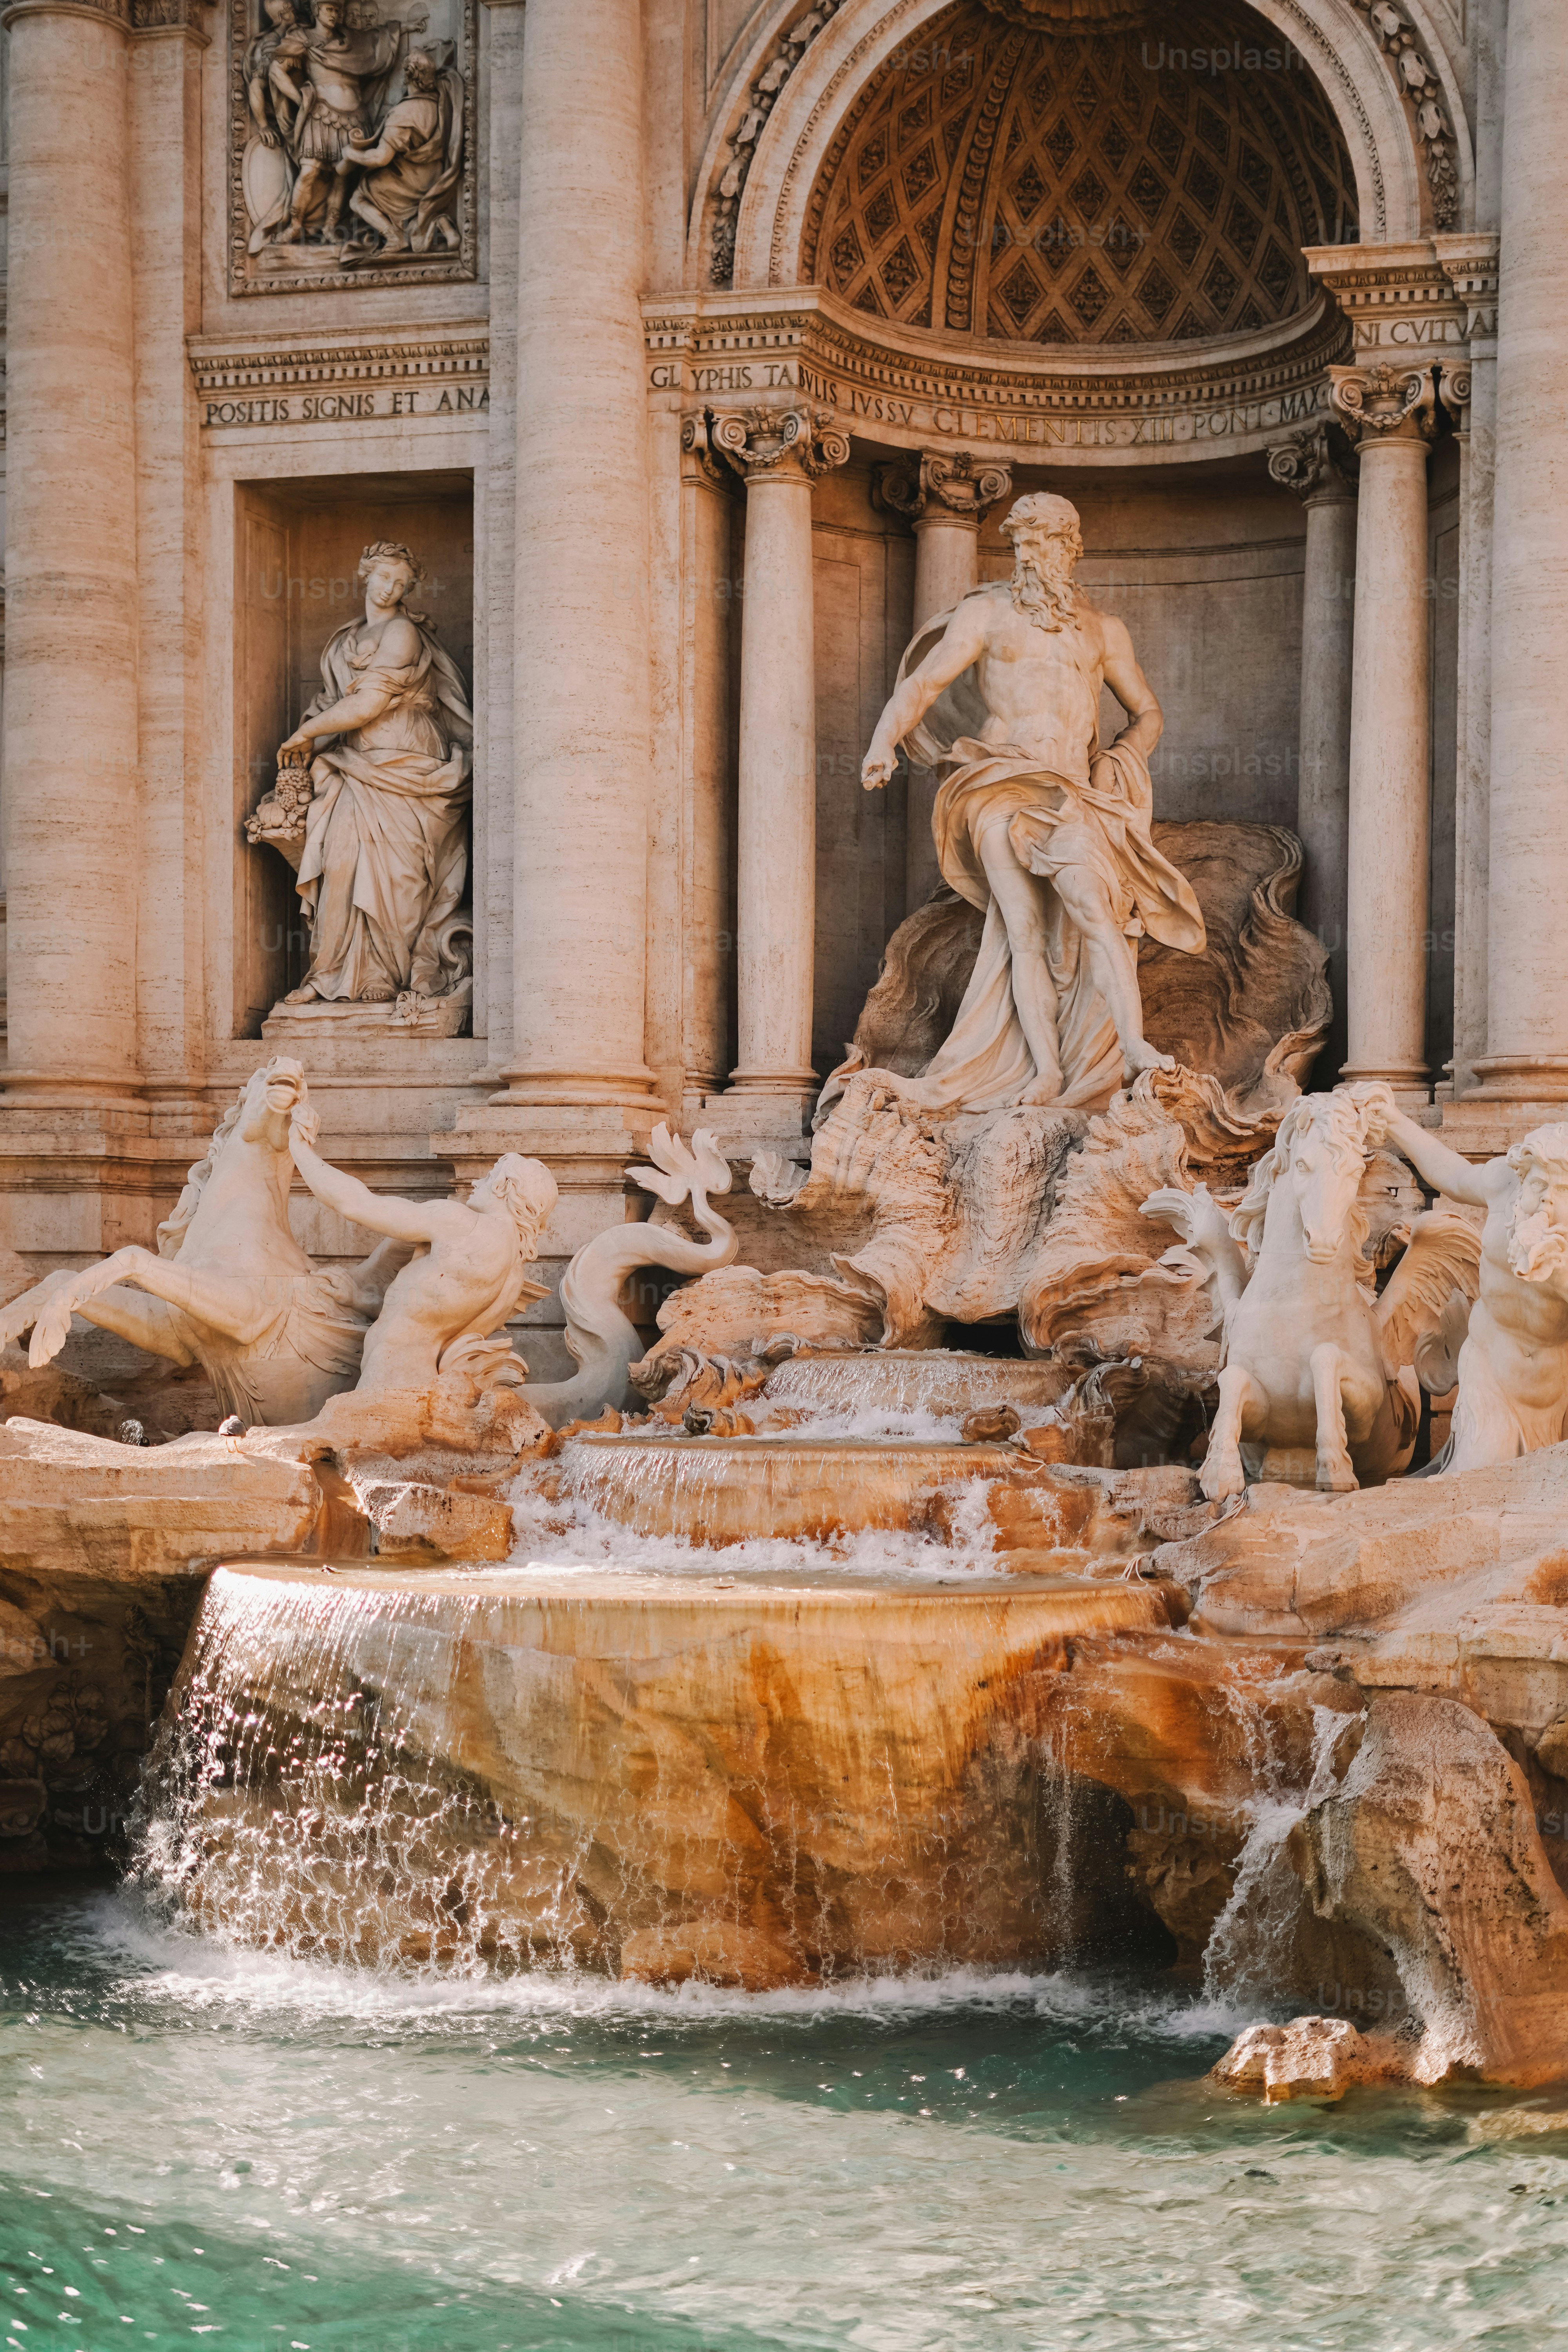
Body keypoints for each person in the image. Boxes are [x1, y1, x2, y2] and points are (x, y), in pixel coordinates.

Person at [859, 490, 1204, 1113]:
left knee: (1095, 910)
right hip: (999, 782)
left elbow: (1148, 711)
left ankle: (1131, 1046)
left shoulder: (1103, 632)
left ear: (1069, 548)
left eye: (1040, 543)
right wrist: (883, 740)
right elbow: (926, 682)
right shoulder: (988, 615)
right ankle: (1045, 1071)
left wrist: (1120, 756)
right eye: (1019, 544)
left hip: (1072, 792)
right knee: (1022, 931)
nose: (1028, 556)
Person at [274, 541, 472, 1005]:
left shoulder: (403, 633)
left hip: (407, 761)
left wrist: (302, 738)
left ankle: (387, 978)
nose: (392, 588)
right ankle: (330, 975)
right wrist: (311, 745)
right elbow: (336, 704)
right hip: (355, 765)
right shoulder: (347, 638)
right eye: (385, 577)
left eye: (402, 583)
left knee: (398, 877)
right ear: (366, 574)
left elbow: (368, 704)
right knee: (341, 864)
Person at [1349, 1085, 1568, 1472]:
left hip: (1548, 1387)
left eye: (1563, 1190)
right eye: (1538, 1186)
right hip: (1486, 1366)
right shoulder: (1505, 1183)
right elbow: (1452, 1173)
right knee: (1474, 1479)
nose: (1548, 1199)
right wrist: (1396, 1121)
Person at [288, 1108, 559, 1393]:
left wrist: (299, 1147)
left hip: (389, 1378)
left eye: (489, 1178)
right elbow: (428, 1317)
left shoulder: (462, 1223)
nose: (475, 1184)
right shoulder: (513, 1279)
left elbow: (356, 1204)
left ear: (505, 1187)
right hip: (424, 1384)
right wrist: (359, 1300)